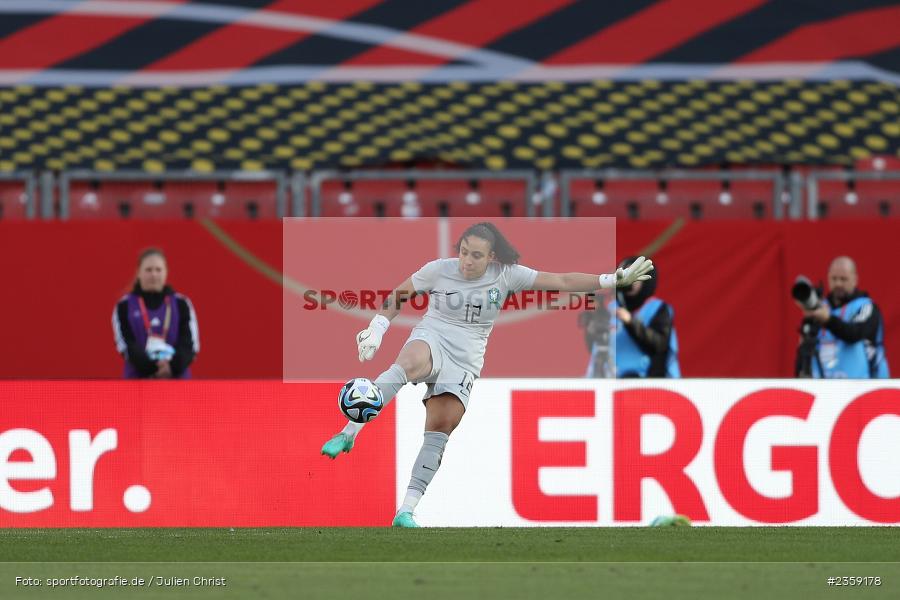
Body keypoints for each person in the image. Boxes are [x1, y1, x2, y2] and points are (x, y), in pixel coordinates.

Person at [320, 222, 654, 527]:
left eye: (476, 256)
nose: (467, 261)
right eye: (464, 252)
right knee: (407, 363)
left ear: (491, 257)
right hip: (433, 335)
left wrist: (612, 280)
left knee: (440, 429)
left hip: (466, 359)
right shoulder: (438, 270)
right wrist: (377, 328)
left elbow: (562, 281)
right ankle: (350, 431)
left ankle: (405, 511)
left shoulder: (507, 275)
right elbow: (400, 295)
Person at [795, 256, 888, 378]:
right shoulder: (820, 308)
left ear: (855, 279)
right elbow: (805, 348)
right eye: (834, 278)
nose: (838, 283)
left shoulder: (865, 307)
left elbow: (854, 334)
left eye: (843, 279)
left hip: (865, 386)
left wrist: (828, 320)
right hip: (823, 387)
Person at [112, 248, 199, 379]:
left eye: (158, 270)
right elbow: (125, 345)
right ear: (138, 273)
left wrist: (172, 367)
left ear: (166, 272)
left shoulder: (182, 304)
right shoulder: (124, 306)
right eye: (148, 270)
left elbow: (190, 345)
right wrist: (151, 367)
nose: (153, 275)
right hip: (137, 384)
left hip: (177, 383)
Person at [600, 256, 680, 378]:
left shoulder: (658, 308)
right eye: (625, 275)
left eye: (635, 276)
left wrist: (630, 322)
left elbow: (659, 345)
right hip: (612, 379)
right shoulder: (611, 307)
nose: (629, 281)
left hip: (648, 380)